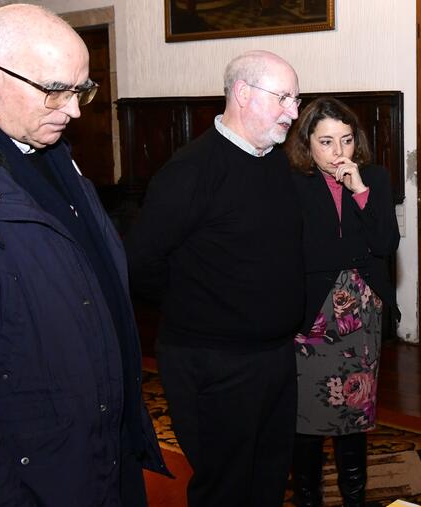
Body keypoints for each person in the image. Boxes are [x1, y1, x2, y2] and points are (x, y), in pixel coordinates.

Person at [0, 4, 167, 505]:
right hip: (29, 473)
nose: (75, 110)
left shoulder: (44, 143)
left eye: (82, 90)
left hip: (98, 448)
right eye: (56, 90)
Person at [125, 50, 305, 506]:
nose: (294, 111)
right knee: (224, 488)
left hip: (275, 356)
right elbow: (140, 260)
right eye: (283, 97)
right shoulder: (191, 170)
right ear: (242, 94)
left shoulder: (275, 163)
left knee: (268, 478)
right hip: (214, 361)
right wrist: (203, 307)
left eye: (296, 99)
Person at [284, 97, 400, 506]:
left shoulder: (375, 179)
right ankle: (307, 498)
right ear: (307, 143)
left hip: (360, 313)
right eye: (327, 142)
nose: (339, 153)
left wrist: (360, 192)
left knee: (354, 414)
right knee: (304, 418)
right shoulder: (290, 180)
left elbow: (385, 244)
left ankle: (355, 498)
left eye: (347, 141)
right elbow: (287, 250)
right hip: (311, 312)